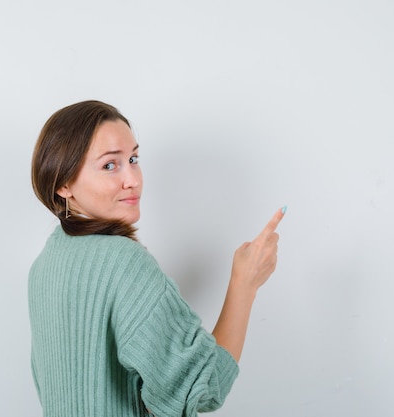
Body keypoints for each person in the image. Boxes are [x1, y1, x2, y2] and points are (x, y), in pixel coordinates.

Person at [29, 100, 285, 417]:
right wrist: (244, 284)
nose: (133, 179)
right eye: (110, 165)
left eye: (133, 159)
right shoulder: (123, 262)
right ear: (64, 183)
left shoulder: (45, 265)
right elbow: (203, 388)